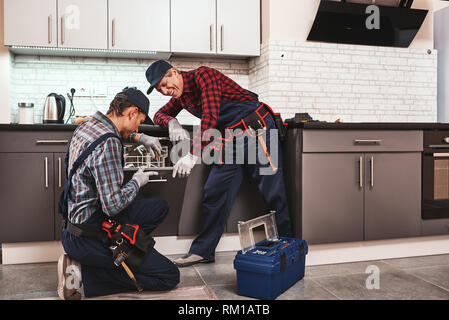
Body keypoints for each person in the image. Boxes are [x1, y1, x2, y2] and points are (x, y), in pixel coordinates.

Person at [145, 60, 293, 267]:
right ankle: (202, 251)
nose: (165, 90)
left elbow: (210, 115)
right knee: (214, 191)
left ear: (174, 72)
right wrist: (172, 122)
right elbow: (159, 114)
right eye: (160, 89)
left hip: (257, 130)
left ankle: (289, 247)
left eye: (165, 84)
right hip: (229, 139)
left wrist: (191, 155)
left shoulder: (204, 76)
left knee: (273, 192)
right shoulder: (183, 97)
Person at [57, 87, 180, 299]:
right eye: (138, 121)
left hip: (73, 228)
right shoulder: (109, 144)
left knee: (159, 207)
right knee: (168, 275)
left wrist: (140, 137)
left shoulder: (87, 125)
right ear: (131, 112)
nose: (137, 126)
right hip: (90, 237)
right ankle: (87, 273)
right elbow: (112, 206)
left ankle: (124, 250)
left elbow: (114, 132)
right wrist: (136, 182)